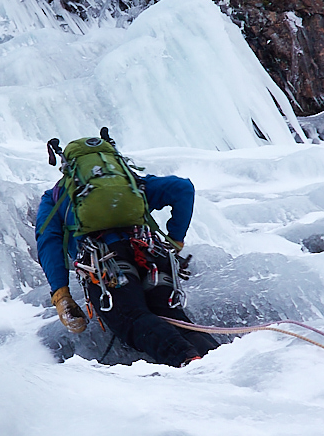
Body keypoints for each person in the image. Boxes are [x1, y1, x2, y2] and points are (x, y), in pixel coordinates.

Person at [34, 130, 214, 367]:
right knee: (173, 317)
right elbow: (182, 189)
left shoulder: (56, 197)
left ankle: (189, 361)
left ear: (67, 167)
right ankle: (219, 361)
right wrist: (175, 241)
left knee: (132, 319)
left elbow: (49, 243)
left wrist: (61, 295)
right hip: (150, 254)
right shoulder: (131, 183)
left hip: (104, 265)